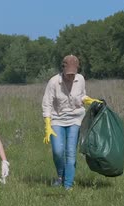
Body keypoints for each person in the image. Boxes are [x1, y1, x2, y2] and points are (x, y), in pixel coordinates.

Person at [41, 54, 87, 190]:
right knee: (58, 151)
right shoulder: (54, 82)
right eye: (68, 74)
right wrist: (47, 125)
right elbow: (47, 104)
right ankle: (60, 176)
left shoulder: (81, 80)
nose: (71, 77)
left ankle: (68, 185)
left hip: (75, 119)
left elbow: (82, 95)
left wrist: (88, 99)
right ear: (63, 69)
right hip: (57, 119)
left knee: (70, 152)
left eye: (73, 74)